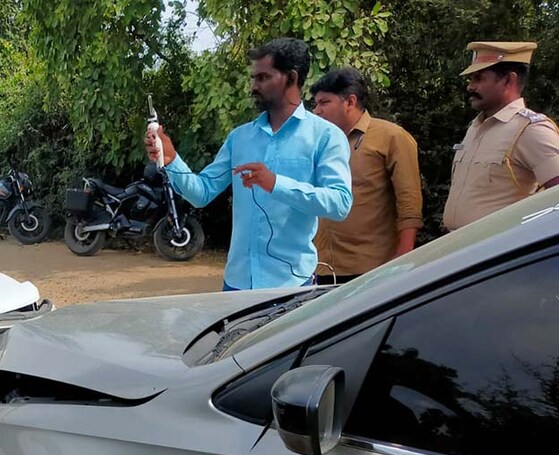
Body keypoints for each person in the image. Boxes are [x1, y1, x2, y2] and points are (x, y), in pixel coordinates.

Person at [146, 37, 352, 291]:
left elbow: (340, 203)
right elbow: (201, 193)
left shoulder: (325, 137)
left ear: (291, 78)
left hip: (291, 286)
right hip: (236, 283)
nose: (254, 86)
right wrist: (171, 159)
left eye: (263, 77)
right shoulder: (240, 138)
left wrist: (276, 183)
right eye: (254, 78)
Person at [311, 68, 423, 283]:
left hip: (371, 267)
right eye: (315, 104)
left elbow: (409, 201)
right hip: (322, 267)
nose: (317, 111)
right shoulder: (319, 142)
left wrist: (404, 255)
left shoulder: (391, 136)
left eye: (324, 103)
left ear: (350, 102)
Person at [443, 41, 559, 231]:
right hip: (459, 248)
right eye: (471, 79)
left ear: (508, 80)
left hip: (499, 252)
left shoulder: (531, 129)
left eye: (479, 78)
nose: (470, 87)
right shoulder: (476, 126)